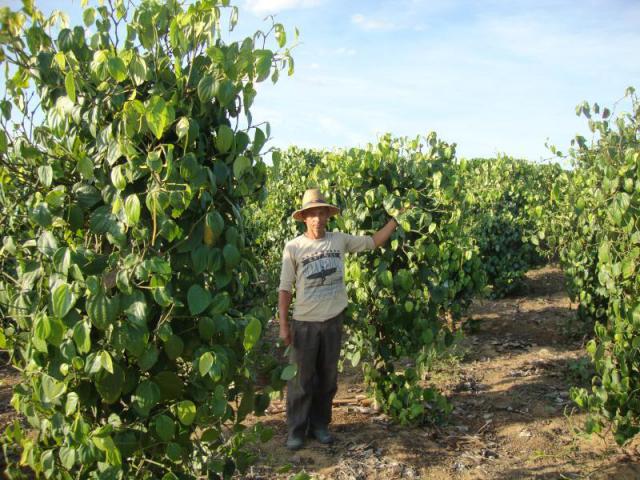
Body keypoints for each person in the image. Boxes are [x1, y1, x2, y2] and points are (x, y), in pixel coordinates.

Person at [278, 188, 402, 450]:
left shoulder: (339, 240)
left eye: (321, 213)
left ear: (327, 215)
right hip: (305, 324)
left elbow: (373, 242)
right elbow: (285, 289)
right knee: (301, 380)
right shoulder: (294, 247)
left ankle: (320, 425)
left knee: (327, 378)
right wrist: (284, 325)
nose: (318, 219)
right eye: (312, 214)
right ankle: (297, 430)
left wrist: (396, 220)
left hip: (333, 321)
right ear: (304, 218)